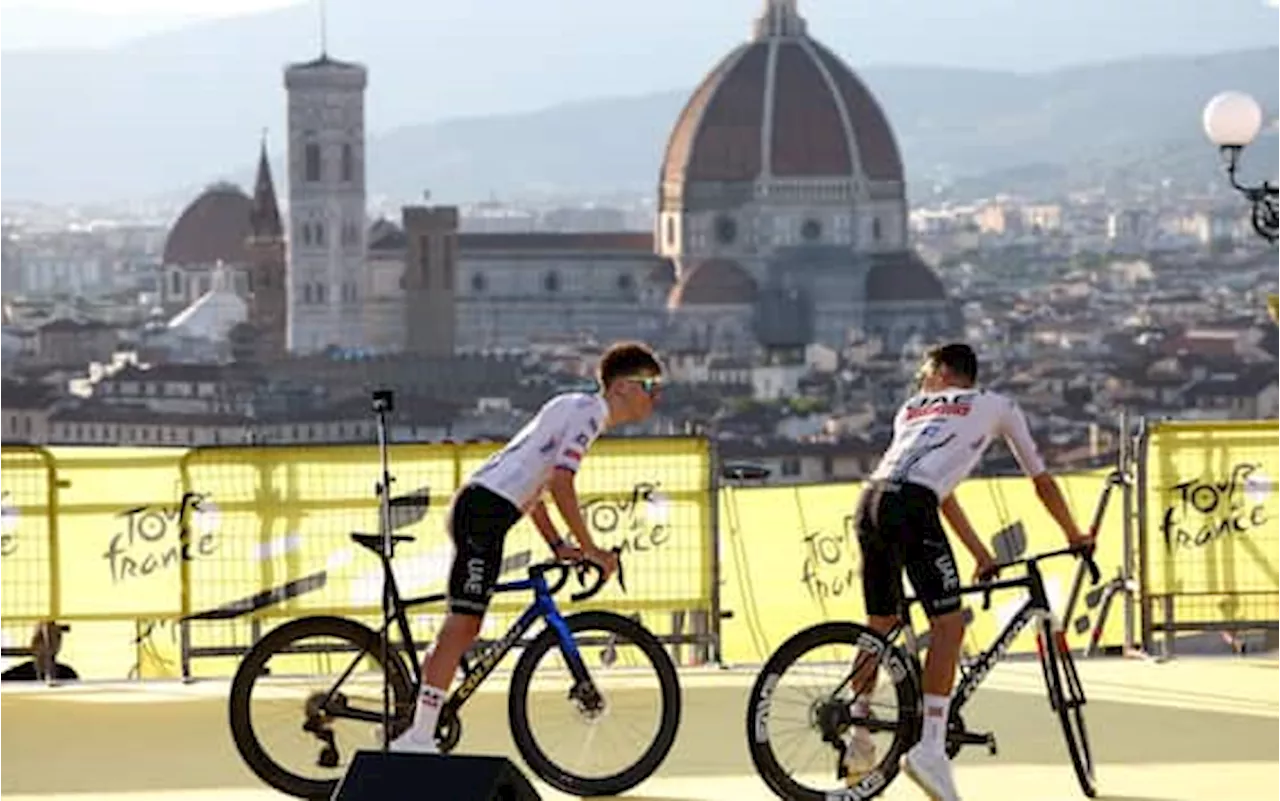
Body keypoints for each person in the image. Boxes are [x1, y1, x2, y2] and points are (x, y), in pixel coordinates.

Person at [841, 343, 1092, 800]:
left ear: (941, 372)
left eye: (924, 373)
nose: (921, 382)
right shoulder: (998, 406)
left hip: (870, 500)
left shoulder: (911, 409)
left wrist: (979, 552)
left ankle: (858, 741)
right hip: (913, 507)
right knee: (949, 625)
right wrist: (1075, 533)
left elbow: (941, 493)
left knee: (879, 626)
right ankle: (930, 749)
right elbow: (1041, 480)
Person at [391, 341, 665, 753]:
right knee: (464, 625)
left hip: (483, 506)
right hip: (484, 513)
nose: (655, 397)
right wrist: (591, 548)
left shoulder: (572, 404)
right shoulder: (590, 416)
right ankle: (418, 737)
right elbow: (560, 482)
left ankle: (419, 719)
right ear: (623, 387)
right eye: (650, 385)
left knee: (462, 624)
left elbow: (535, 484)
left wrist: (557, 542)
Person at [0, 620, 79, 683]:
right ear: (34, 643)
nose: (48, 645)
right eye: (42, 639)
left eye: (54, 639)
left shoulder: (68, 675)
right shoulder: (15, 675)